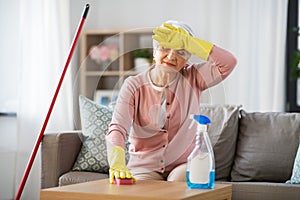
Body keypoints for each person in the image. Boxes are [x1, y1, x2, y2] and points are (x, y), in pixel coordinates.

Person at [106, 20, 237, 184]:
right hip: (144, 167)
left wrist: (191, 43)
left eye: (181, 52)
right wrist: (117, 163)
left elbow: (228, 63)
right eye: (165, 48)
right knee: (141, 191)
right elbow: (118, 128)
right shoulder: (133, 85)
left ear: (188, 58)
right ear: (154, 52)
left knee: (177, 187)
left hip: (182, 165)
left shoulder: (194, 77)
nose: (171, 56)